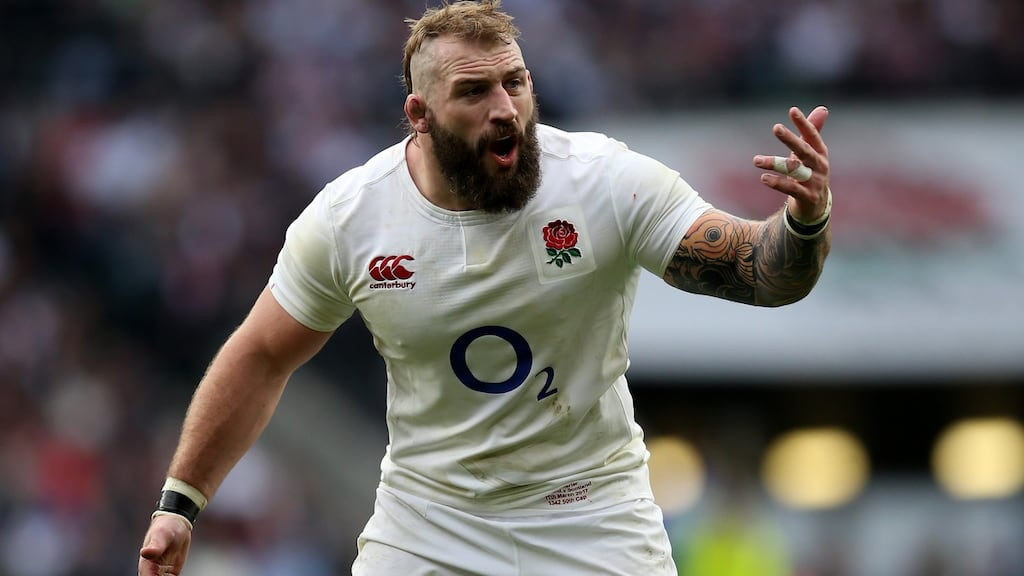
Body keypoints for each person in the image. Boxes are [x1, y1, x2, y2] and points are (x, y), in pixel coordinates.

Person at [138, 1, 832, 574]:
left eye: (515, 82)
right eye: (474, 91)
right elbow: (262, 353)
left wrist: (804, 221)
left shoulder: (604, 183)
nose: (505, 108)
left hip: (591, 517)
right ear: (419, 115)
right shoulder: (351, 219)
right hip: (430, 521)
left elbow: (759, 273)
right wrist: (179, 504)